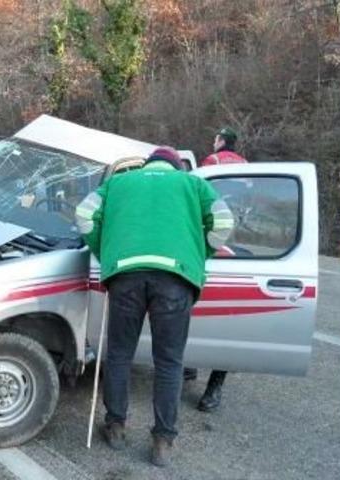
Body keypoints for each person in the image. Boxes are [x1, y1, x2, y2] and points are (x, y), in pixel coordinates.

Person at [77, 147, 233, 467]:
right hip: (175, 277)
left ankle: (116, 426)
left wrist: (104, 250)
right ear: (175, 167)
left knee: (120, 354)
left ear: (148, 165)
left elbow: (83, 214)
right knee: (169, 362)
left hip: (125, 274)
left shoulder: (120, 183)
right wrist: (198, 252)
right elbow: (224, 221)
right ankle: (163, 441)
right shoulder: (192, 184)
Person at [188, 127, 249, 413]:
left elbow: (199, 196)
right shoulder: (246, 164)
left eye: (216, 138)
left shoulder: (212, 162)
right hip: (237, 236)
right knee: (226, 320)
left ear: (221, 141)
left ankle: (190, 367)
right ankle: (213, 389)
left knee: (193, 307)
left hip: (210, 235)